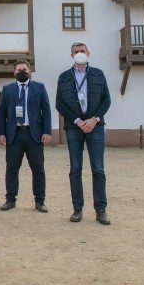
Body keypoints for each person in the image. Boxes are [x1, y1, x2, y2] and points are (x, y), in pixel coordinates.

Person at [55, 41, 112, 225]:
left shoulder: (98, 74)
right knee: (75, 169)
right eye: (75, 52)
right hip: (74, 128)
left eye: (82, 51)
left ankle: (101, 210)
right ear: (71, 55)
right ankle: (77, 209)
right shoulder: (64, 77)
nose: (79, 54)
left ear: (88, 53)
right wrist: (78, 121)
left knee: (98, 169)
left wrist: (94, 118)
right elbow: (60, 104)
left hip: (95, 127)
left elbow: (106, 100)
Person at [0, 60, 52, 212]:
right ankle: (10, 199)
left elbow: (46, 110)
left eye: (25, 69)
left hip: (34, 135)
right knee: (12, 168)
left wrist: (47, 131)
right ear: (14, 72)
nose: (22, 72)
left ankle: (40, 201)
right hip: (14, 135)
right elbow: (1, 112)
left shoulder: (39, 87)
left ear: (30, 71)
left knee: (38, 169)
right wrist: (0, 132)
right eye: (19, 69)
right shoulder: (7, 89)